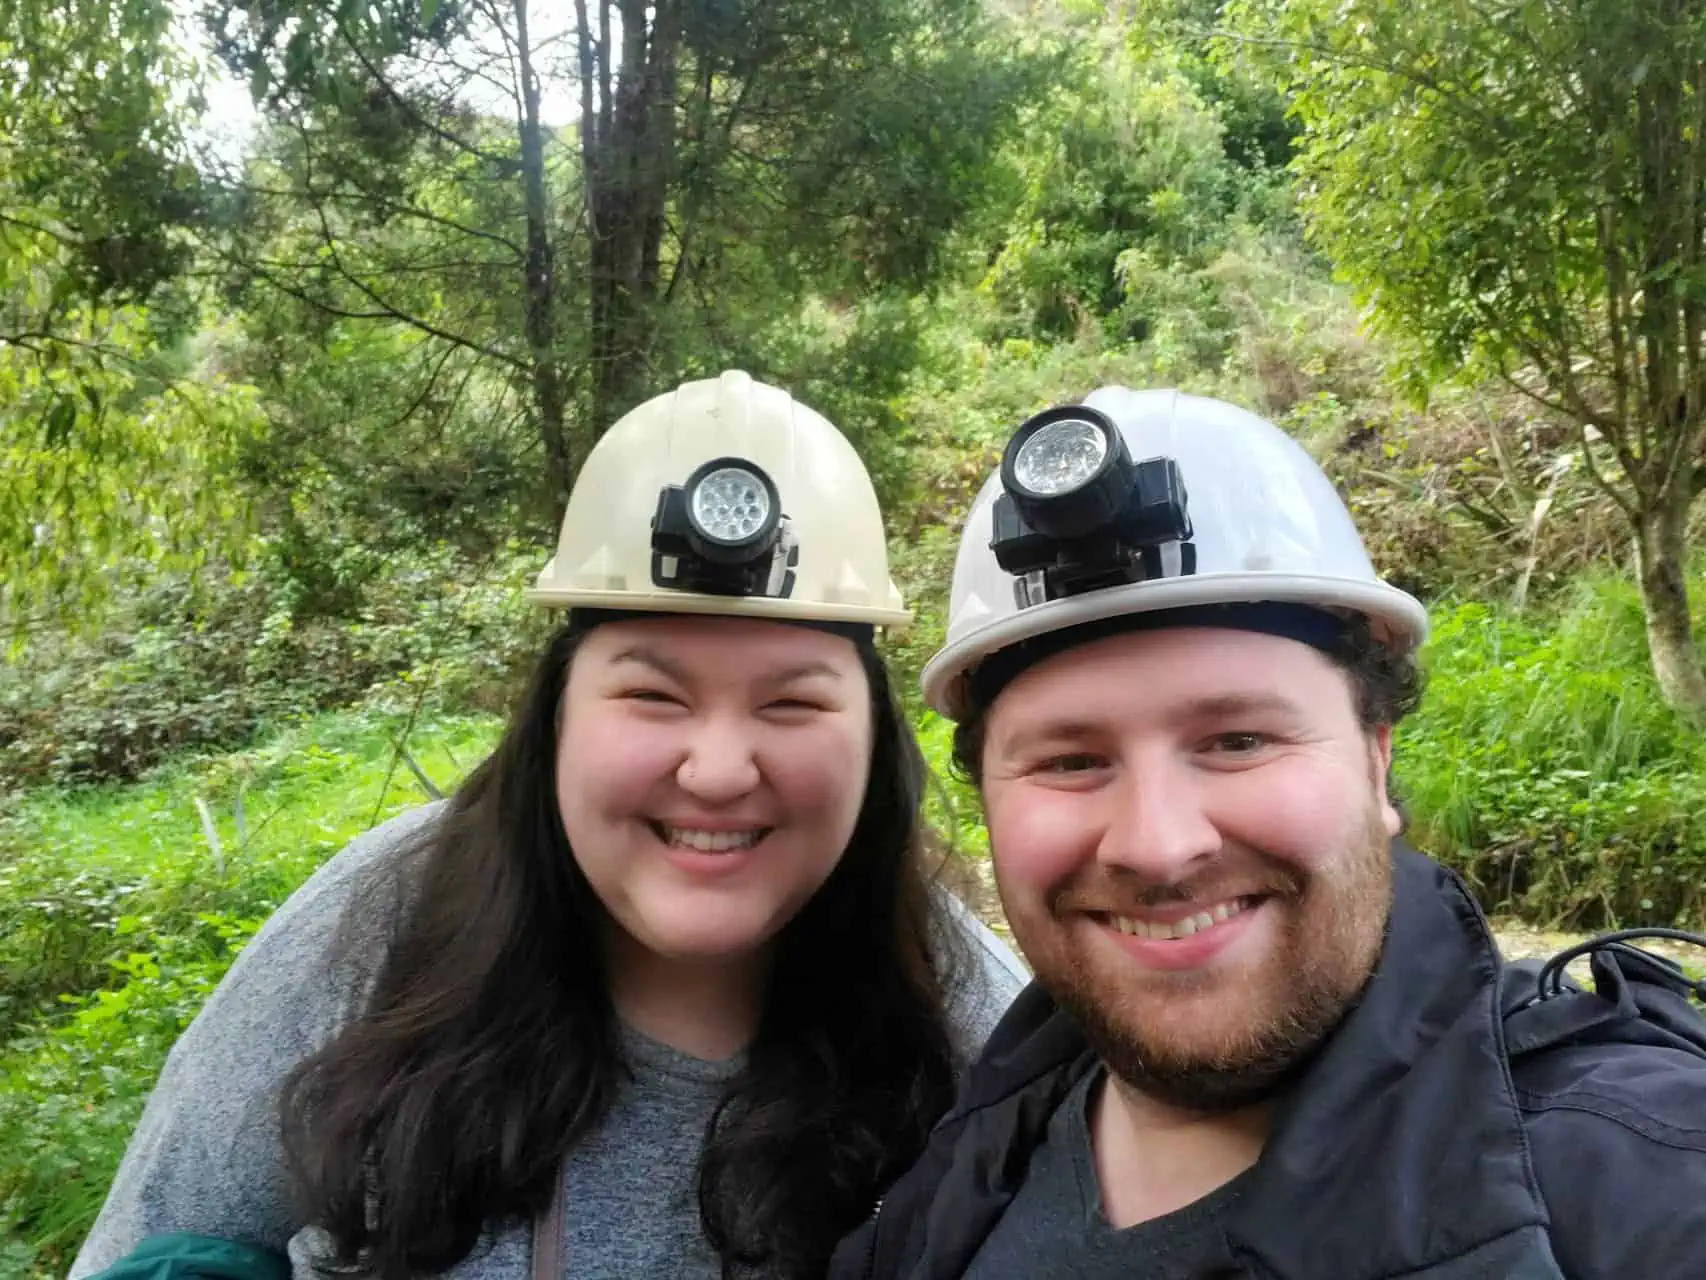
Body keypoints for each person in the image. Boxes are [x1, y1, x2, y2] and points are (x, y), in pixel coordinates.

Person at [70, 371, 1030, 1280]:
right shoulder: (374, 930)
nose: (719, 769)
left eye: (791, 705)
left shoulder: (971, 1022)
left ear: (875, 741)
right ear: (559, 716)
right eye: (654, 694)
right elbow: (165, 1241)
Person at [828, 387, 1706, 1280]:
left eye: (1238, 741)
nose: (1159, 845)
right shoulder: (966, 1142)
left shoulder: (1633, 1181)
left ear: (1375, 760)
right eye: (1069, 761)